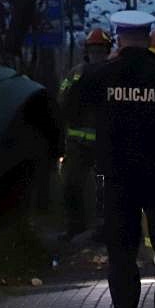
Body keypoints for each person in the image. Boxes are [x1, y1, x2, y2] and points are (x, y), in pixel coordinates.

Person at [69, 10, 155, 308]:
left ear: (119, 37)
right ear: (148, 36)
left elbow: (73, 109)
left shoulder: (100, 74)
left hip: (118, 178)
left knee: (121, 252)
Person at [57, 27, 112, 238]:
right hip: (79, 142)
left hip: (101, 142)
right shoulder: (76, 73)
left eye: (100, 49)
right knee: (72, 185)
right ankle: (75, 226)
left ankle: (102, 228)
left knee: (104, 188)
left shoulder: (113, 73)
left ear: (107, 50)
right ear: (87, 50)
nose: (97, 53)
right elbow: (62, 98)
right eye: (94, 49)